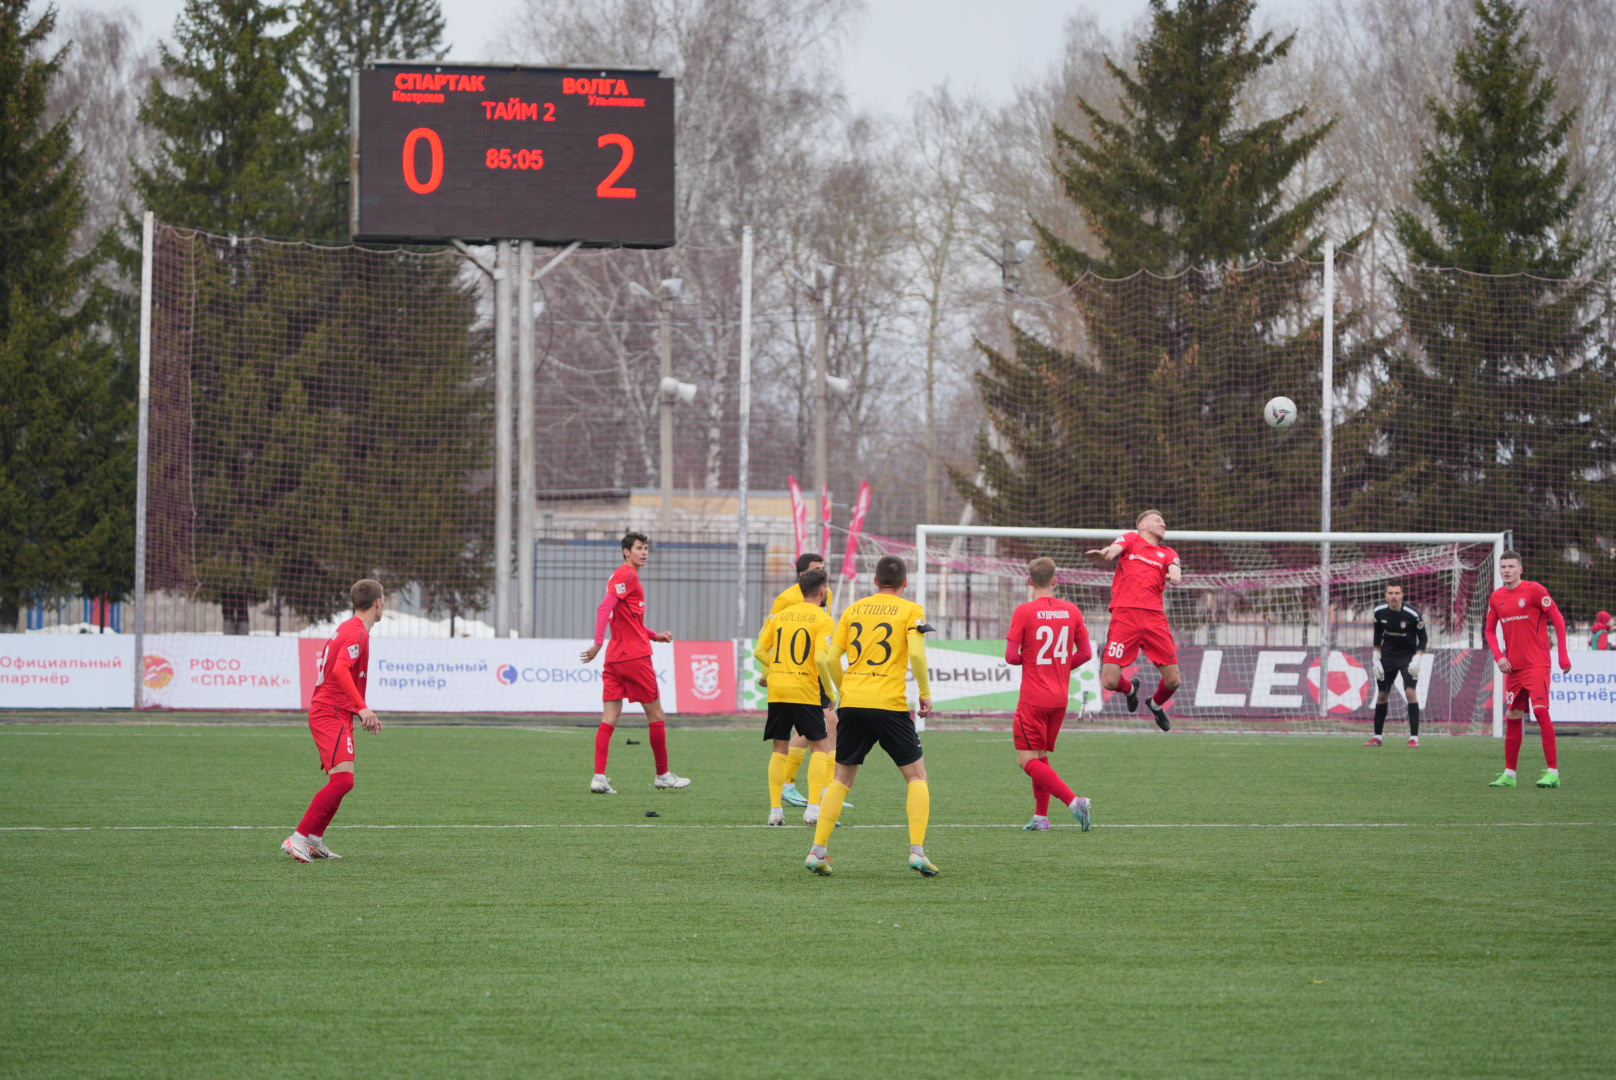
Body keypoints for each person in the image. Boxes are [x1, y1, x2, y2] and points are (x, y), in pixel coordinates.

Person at [805, 555, 937, 877]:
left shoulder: (852, 610)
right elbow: (917, 653)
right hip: (889, 704)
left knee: (841, 780)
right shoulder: (911, 610)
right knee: (917, 777)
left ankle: (817, 851)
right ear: (905, 582)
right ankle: (917, 851)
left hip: (853, 702)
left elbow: (827, 659)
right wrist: (925, 692)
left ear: (875, 581)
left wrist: (840, 690)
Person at [283, 579, 385, 862]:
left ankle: (314, 839)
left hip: (334, 711)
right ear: (379, 603)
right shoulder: (357, 634)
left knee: (344, 781)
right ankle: (299, 838)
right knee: (342, 781)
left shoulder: (350, 628)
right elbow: (340, 669)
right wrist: (362, 708)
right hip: (331, 712)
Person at [580, 531, 690, 793]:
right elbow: (604, 609)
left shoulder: (623, 577)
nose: (644, 552)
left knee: (610, 716)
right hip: (634, 658)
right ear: (626, 552)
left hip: (616, 658)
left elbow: (629, 621)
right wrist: (597, 642)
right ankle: (663, 774)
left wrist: (655, 636)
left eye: (646, 548)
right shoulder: (627, 575)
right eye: (639, 548)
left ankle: (599, 777)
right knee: (656, 714)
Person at [1004, 557, 1093, 832]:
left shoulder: (1024, 611)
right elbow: (1086, 653)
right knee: (1040, 756)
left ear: (1030, 581)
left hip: (1034, 697)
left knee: (1025, 760)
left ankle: (1074, 802)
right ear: (1056, 580)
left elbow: (1010, 656)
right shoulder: (1072, 610)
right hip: (1059, 698)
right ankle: (1041, 817)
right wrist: (1061, 666)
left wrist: (1032, 661)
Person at [754, 569, 841, 826]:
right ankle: (813, 808)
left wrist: (780, 667)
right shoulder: (823, 619)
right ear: (823, 591)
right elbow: (821, 658)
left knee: (779, 749)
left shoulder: (779, 616)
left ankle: (775, 811)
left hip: (778, 689)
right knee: (820, 747)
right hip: (804, 690)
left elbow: (760, 650)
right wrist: (830, 689)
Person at [1085, 509, 1181, 730]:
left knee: (1174, 680)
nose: (1163, 524)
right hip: (1125, 617)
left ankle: (1156, 705)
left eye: (1164, 520)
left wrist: (1175, 575)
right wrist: (1105, 554)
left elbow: (1175, 567)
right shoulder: (1131, 539)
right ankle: (1130, 690)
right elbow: (1114, 550)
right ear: (1142, 526)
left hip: (1154, 619)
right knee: (1109, 680)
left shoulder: (1167, 552)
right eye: (1158, 520)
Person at [1484, 550, 1572, 789]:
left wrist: (1563, 655)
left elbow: (1559, 619)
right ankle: (1509, 775)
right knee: (1513, 716)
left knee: (1541, 712)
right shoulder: (1497, 597)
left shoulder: (1535, 590)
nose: (1507, 570)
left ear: (1520, 569)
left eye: (1511, 566)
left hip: (1537, 664)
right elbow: (1490, 631)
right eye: (1503, 567)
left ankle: (1553, 772)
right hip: (1513, 667)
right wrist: (1499, 656)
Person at [1367, 583, 1428, 747]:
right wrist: (1376, 657)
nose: (1393, 596)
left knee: (1410, 692)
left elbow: (1423, 638)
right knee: (1382, 695)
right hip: (1387, 656)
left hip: (1407, 656)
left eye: (1397, 593)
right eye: (1390, 593)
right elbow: (1377, 633)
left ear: (1402, 595)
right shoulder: (1379, 612)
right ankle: (1377, 737)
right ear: (1386, 595)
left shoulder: (1412, 614)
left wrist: (1417, 657)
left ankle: (1414, 738)